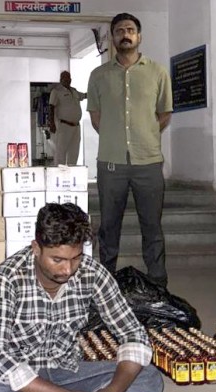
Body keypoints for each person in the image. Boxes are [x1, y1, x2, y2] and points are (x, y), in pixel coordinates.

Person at [0, 203, 163, 392]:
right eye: (58, 260)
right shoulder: (8, 277)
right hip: (28, 382)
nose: (68, 270)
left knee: (149, 377)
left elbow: (133, 335)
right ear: (36, 248)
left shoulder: (92, 273)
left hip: (70, 372)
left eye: (76, 258)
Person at [87, 13, 173, 287]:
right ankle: (105, 283)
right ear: (112, 37)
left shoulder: (157, 72)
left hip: (149, 163)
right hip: (111, 163)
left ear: (139, 36)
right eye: (120, 30)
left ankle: (157, 283)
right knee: (109, 226)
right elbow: (96, 117)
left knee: (152, 226)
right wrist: (116, 138)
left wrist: (146, 135)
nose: (125, 34)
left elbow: (164, 113)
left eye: (130, 30)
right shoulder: (98, 75)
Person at [48, 71, 86, 165]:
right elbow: (51, 107)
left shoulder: (74, 91)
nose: (67, 80)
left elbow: (85, 95)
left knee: (74, 151)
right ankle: (59, 171)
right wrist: (52, 123)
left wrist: (96, 91)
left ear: (70, 79)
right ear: (61, 80)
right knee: (61, 151)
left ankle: (72, 170)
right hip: (64, 126)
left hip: (76, 126)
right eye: (64, 78)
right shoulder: (56, 91)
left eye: (68, 78)